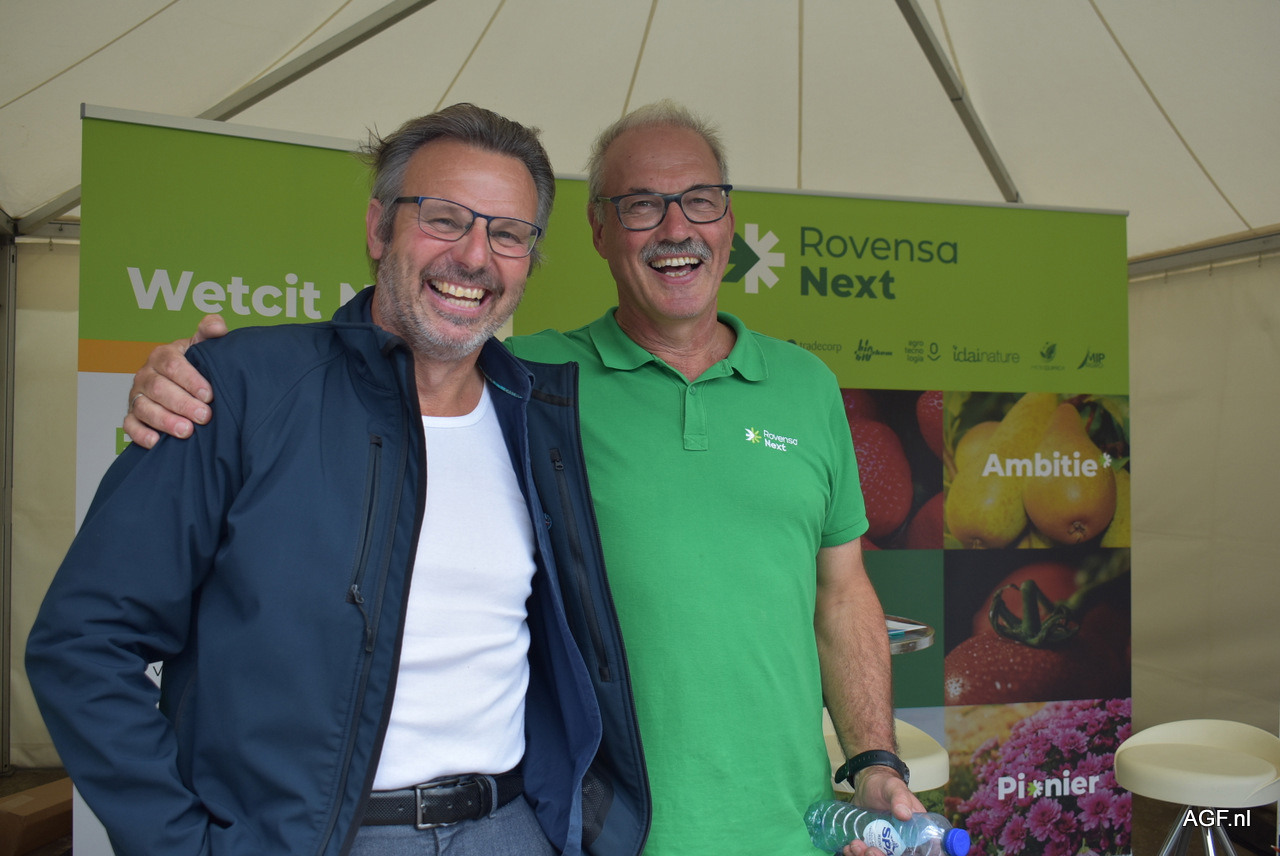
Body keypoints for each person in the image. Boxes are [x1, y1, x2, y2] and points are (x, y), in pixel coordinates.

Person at [123, 101, 925, 855]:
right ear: (598, 230)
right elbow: (384, 368)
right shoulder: (528, 381)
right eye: (641, 205)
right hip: (599, 831)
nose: (676, 228)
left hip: (789, 826)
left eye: (700, 201)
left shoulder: (807, 386)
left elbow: (842, 594)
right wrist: (193, 380)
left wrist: (873, 761)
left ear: (730, 220)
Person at [27, 104, 647, 856]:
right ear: (380, 228)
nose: (475, 256)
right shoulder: (239, 389)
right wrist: (178, 845)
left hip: (509, 828)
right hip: (310, 841)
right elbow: (84, 640)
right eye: (445, 218)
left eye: (509, 233)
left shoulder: (538, 418)